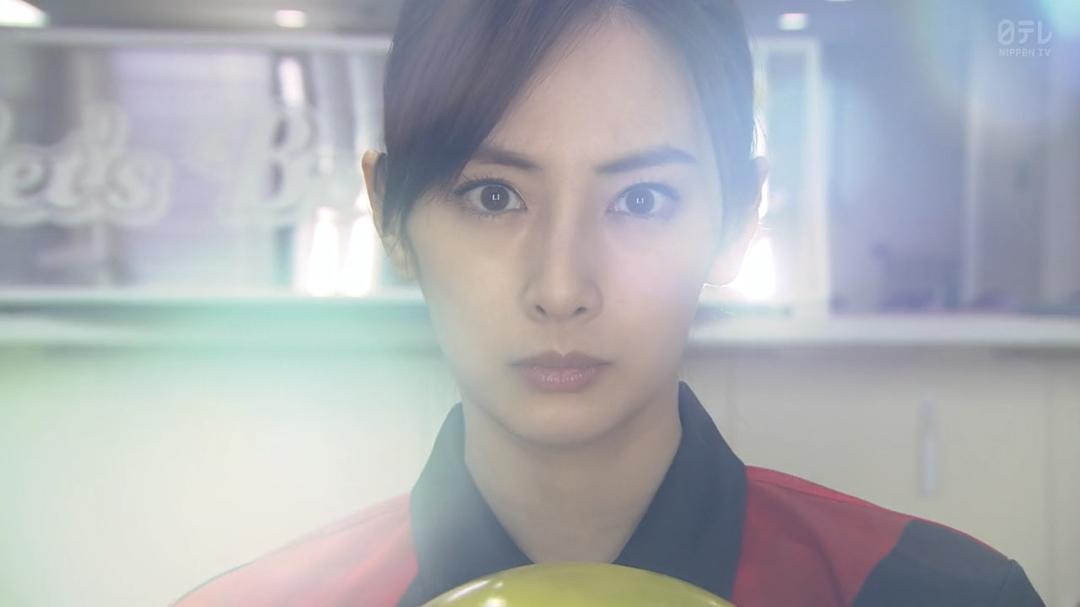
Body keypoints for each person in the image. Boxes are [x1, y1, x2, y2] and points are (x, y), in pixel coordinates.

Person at [173, 0, 1045, 605]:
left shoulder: (934, 594)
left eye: (641, 199)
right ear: (389, 214)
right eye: (492, 196)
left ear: (739, 217)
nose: (561, 289)